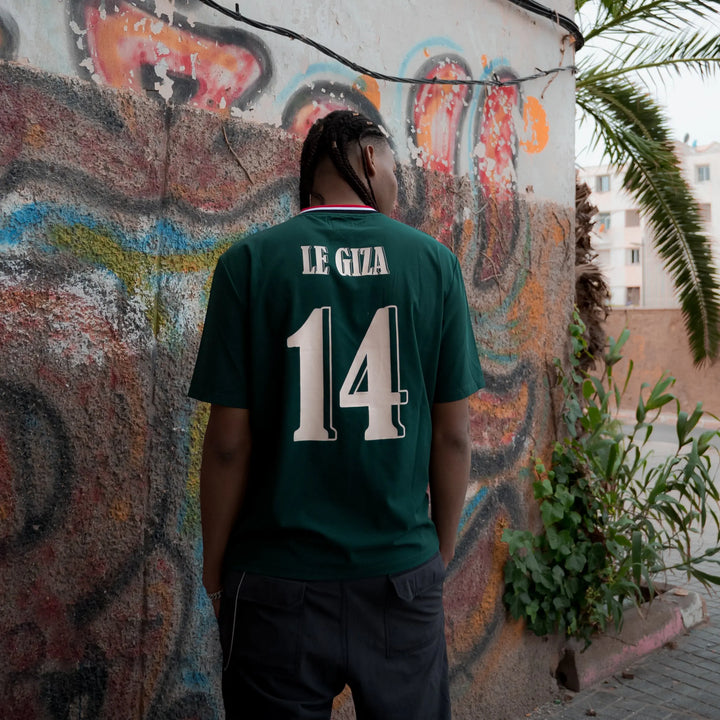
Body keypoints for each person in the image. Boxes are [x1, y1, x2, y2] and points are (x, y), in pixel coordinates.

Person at [188, 110, 484, 720]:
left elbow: (226, 446)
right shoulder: (435, 265)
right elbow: (453, 438)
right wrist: (438, 554)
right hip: (401, 577)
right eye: (395, 164)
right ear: (371, 159)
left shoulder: (247, 265)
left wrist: (216, 569)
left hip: (274, 586)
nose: (398, 179)